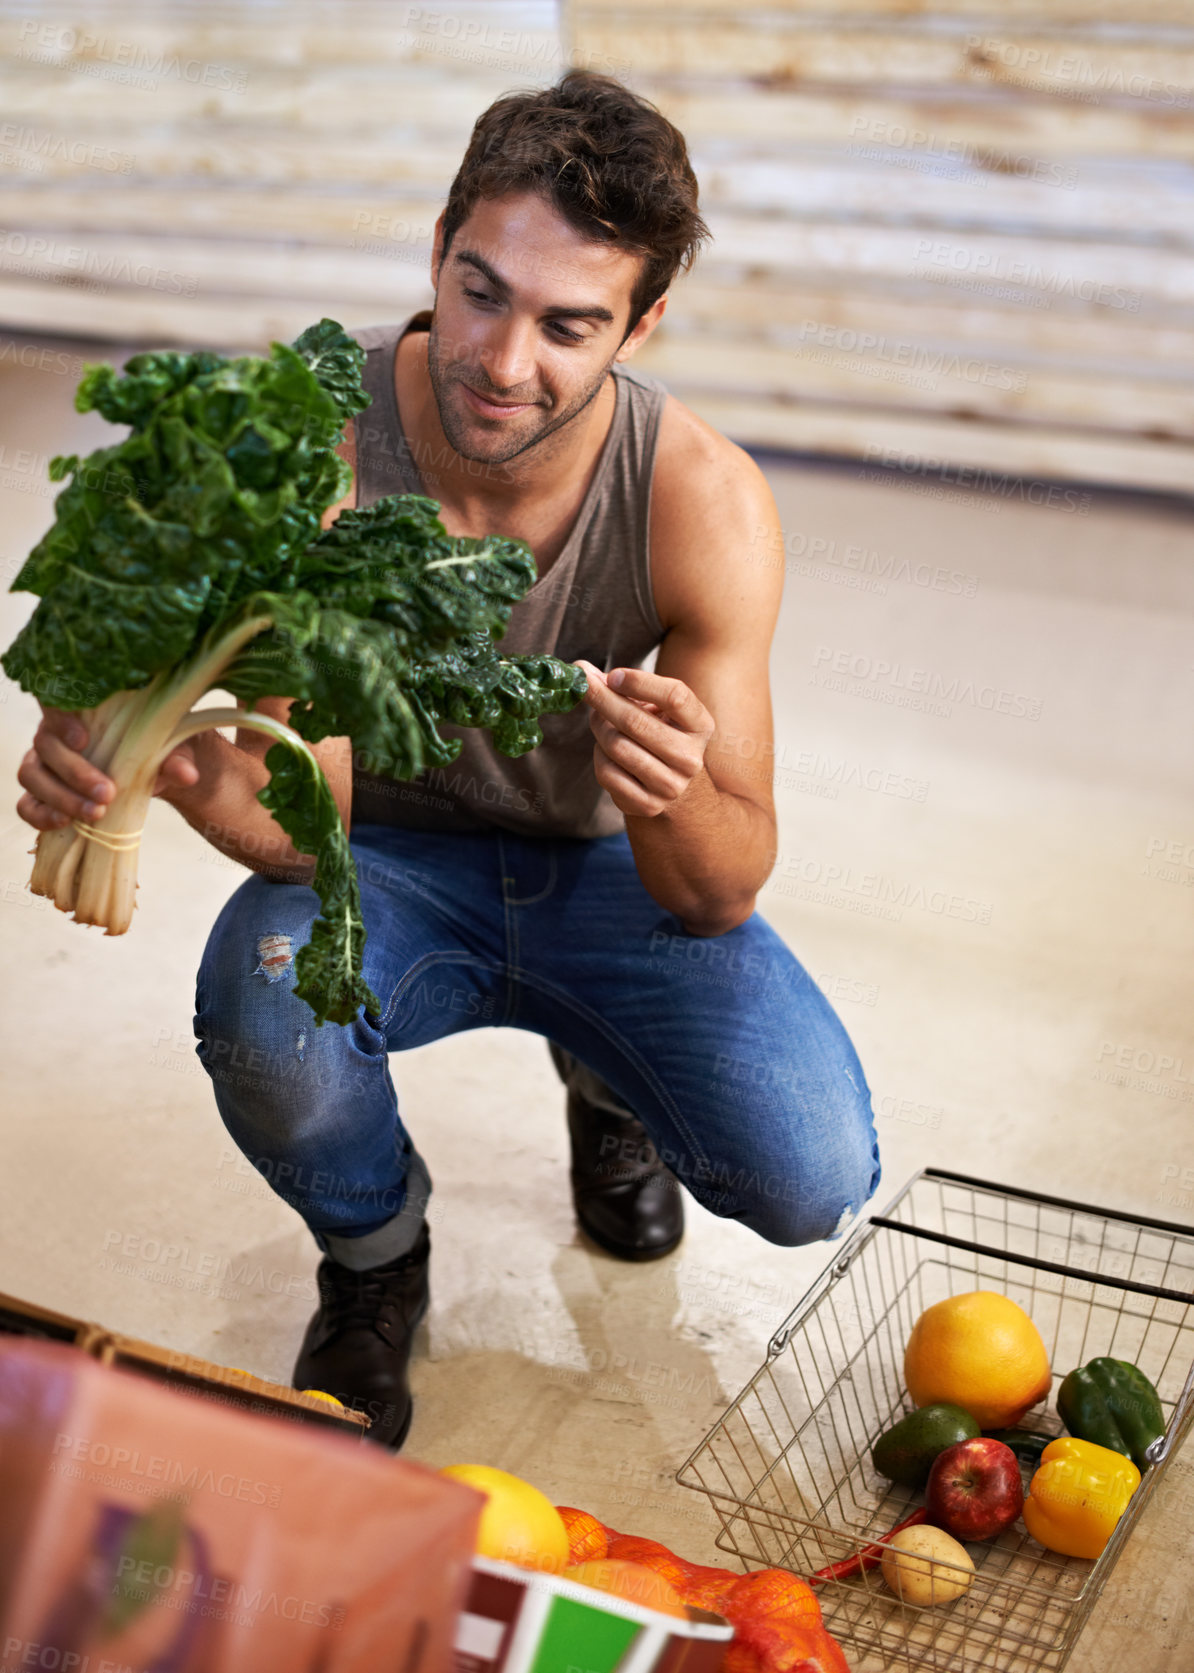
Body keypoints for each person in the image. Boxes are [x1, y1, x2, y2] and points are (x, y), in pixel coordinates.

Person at [16, 72, 880, 1448]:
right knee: (268, 1008)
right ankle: (374, 1257)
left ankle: (609, 1090)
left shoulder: (698, 498)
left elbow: (719, 884)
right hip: (386, 862)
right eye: (481, 291)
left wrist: (665, 792)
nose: (501, 357)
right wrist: (183, 773)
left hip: (608, 868)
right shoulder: (315, 441)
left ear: (642, 325)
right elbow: (317, 828)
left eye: (568, 324)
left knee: (812, 1172)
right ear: (436, 248)